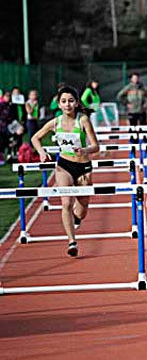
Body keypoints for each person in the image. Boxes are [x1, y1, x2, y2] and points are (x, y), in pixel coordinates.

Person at [31, 86, 99, 257]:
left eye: (70, 101)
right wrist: (41, 151)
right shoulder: (55, 122)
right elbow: (35, 138)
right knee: (66, 203)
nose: (67, 104)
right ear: (59, 104)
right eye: (63, 101)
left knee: (82, 209)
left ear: (76, 103)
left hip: (83, 166)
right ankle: (71, 241)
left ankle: (77, 218)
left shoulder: (83, 120)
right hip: (64, 166)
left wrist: (85, 151)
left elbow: (96, 146)